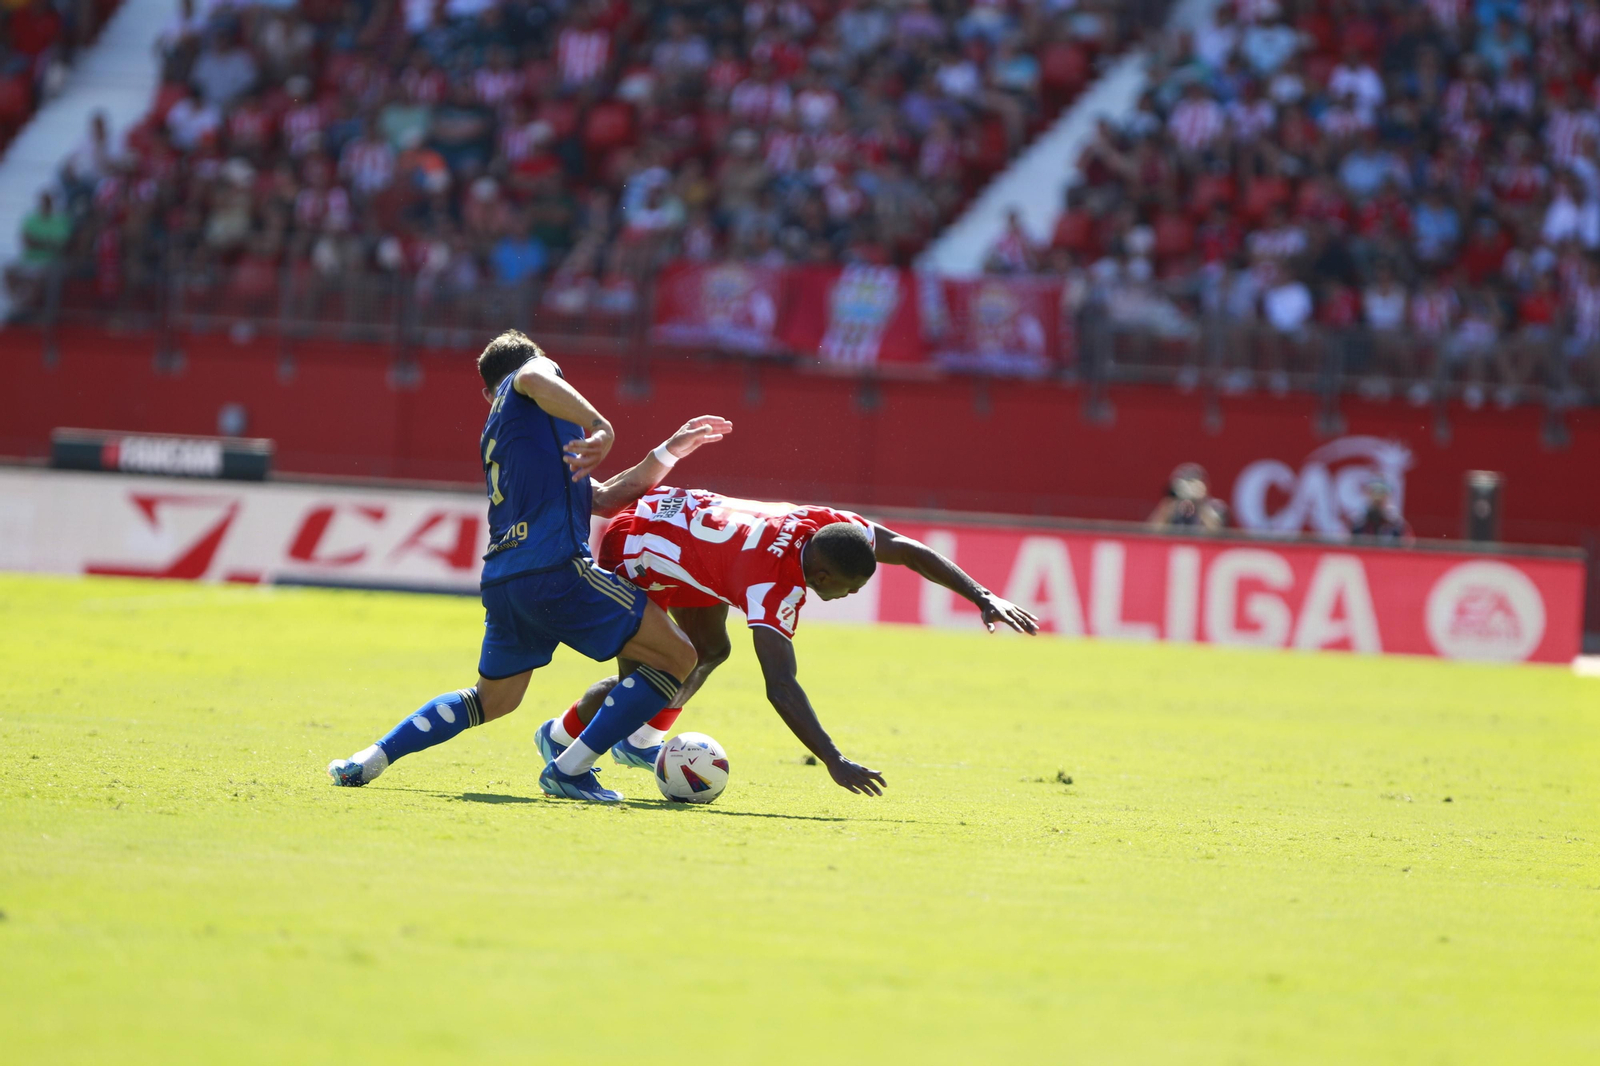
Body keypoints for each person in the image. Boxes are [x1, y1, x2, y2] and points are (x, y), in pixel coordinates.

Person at [327, 330, 733, 802]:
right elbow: (534, 374)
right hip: (557, 571)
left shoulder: (515, 434)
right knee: (681, 656)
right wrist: (603, 427)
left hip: (505, 579)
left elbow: (601, 498)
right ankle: (571, 769)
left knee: (492, 700)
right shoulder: (531, 379)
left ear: (486, 393)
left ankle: (369, 759)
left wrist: (667, 452)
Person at [534, 489, 1042, 796]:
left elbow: (907, 551)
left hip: (690, 535)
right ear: (819, 574)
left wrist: (982, 595)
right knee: (650, 680)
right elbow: (780, 685)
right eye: (848, 588)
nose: (849, 595)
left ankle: (639, 743)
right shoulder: (772, 585)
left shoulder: (824, 525)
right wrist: (833, 758)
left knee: (711, 651)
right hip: (639, 546)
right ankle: (563, 745)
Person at [1148, 463, 1228, 531]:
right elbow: (1151, 531)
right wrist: (1170, 503)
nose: (1189, 489)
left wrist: (1200, 504)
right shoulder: (1172, 507)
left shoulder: (1216, 507)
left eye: (1193, 484)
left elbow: (1218, 534)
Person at [1347, 479, 1412, 542]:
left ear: (1387, 497)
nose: (1378, 499)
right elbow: (1352, 543)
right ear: (1368, 495)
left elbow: (1405, 545)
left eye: (1381, 494)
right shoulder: (1359, 521)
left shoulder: (1396, 523)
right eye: (1374, 493)